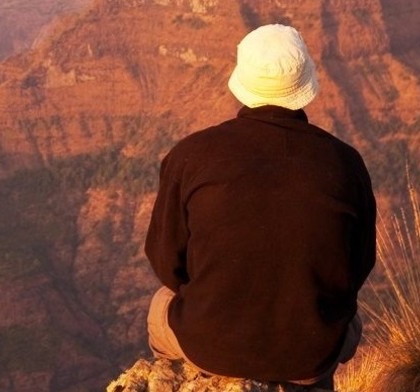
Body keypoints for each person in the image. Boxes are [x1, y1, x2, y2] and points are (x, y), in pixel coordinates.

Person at [143, 24, 377, 389]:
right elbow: (358, 266)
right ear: (305, 83)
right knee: (350, 322)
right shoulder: (346, 163)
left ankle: (182, 382)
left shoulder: (190, 156)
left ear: (243, 80)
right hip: (309, 355)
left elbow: (166, 261)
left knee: (161, 304)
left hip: (210, 348)